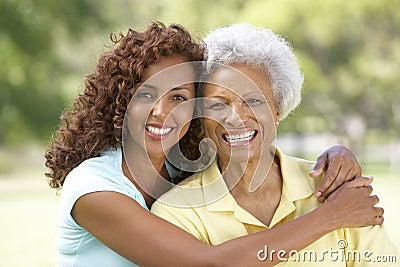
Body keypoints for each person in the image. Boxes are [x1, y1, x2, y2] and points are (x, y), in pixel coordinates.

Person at [45, 22, 383, 267]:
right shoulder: (93, 188)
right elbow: (210, 264)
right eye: (146, 95)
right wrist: (333, 216)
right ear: (120, 101)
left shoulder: (181, 169)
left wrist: (338, 153)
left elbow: (247, 150)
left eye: (178, 96)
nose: (162, 112)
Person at [151, 23, 399, 266]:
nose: (235, 117)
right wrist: (332, 215)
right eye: (218, 104)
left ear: (277, 109)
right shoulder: (176, 213)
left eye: (253, 101)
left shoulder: (336, 188)